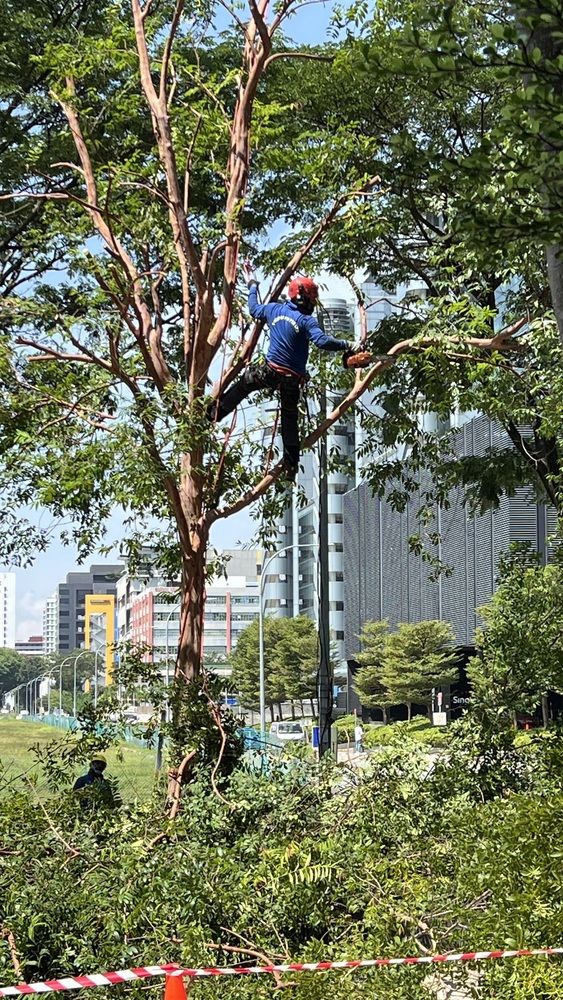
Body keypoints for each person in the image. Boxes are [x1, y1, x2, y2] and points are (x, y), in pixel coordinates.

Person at [208, 264, 360, 481]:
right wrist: (348, 344)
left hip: (269, 372)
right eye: (311, 299)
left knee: (243, 387)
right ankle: (291, 463)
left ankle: (215, 412)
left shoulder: (273, 310)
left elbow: (253, 308)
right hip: (290, 379)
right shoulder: (306, 320)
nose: (312, 303)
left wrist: (252, 284)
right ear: (302, 297)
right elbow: (322, 341)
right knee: (289, 419)